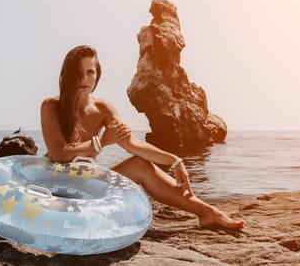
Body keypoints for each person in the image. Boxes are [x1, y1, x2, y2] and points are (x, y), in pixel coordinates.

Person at [40, 45, 245, 230]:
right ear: (67, 75)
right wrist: (101, 142)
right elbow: (59, 153)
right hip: (59, 187)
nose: (84, 79)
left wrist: (174, 160)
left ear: (97, 74)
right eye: (78, 73)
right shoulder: (51, 106)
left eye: (90, 72)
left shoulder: (103, 108)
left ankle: (208, 213)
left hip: (88, 184)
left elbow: (133, 145)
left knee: (141, 164)